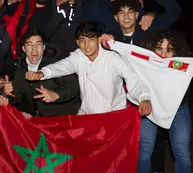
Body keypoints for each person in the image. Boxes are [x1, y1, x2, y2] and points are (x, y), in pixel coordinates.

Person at [25, 20, 153, 117]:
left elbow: (134, 80)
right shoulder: (78, 57)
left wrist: (144, 98)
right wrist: (42, 73)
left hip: (114, 117)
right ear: (77, 42)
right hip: (87, 116)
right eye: (82, 40)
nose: (86, 45)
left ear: (98, 40)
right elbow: (62, 66)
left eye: (91, 40)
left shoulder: (113, 58)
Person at [136, 30, 193, 173]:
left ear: (177, 51)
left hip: (179, 109)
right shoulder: (144, 63)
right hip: (150, 108)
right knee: (144, 148)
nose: (163, 53)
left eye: (169, 49)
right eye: (159, 48)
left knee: (182, 152)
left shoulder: (184, 64)